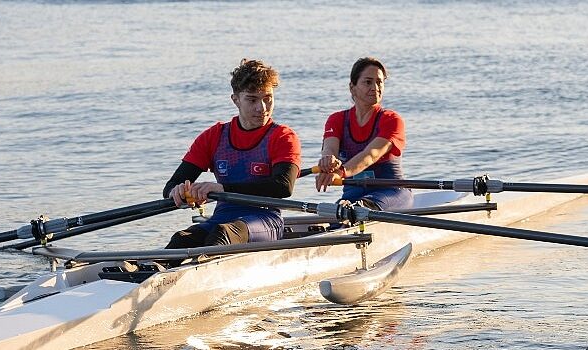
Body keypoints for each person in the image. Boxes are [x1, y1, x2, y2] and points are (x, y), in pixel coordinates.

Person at [162, 59, 301, 266]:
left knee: (221, 234)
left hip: (264, 220)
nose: (262, 108)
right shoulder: (214, 136)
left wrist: (222, 187)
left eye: (268, 99)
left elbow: (282, 187)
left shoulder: (282, 137)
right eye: (252, 100)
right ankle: (143, 279)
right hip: (222, 219)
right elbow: (170, 186)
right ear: (235, 99)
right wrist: (181, 192)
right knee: (181, 239)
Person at [315, 57, 413, 211]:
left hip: (391, 193)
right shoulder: (337, 120)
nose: (375, 87)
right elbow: (329, 149)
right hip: (352, 196)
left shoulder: (391, 120)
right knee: (337, 213)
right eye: (368, 82)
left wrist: (341, 172)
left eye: (379, 82)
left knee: (359, 209)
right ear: (352, 88)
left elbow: (371, 155)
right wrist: (328, 162)